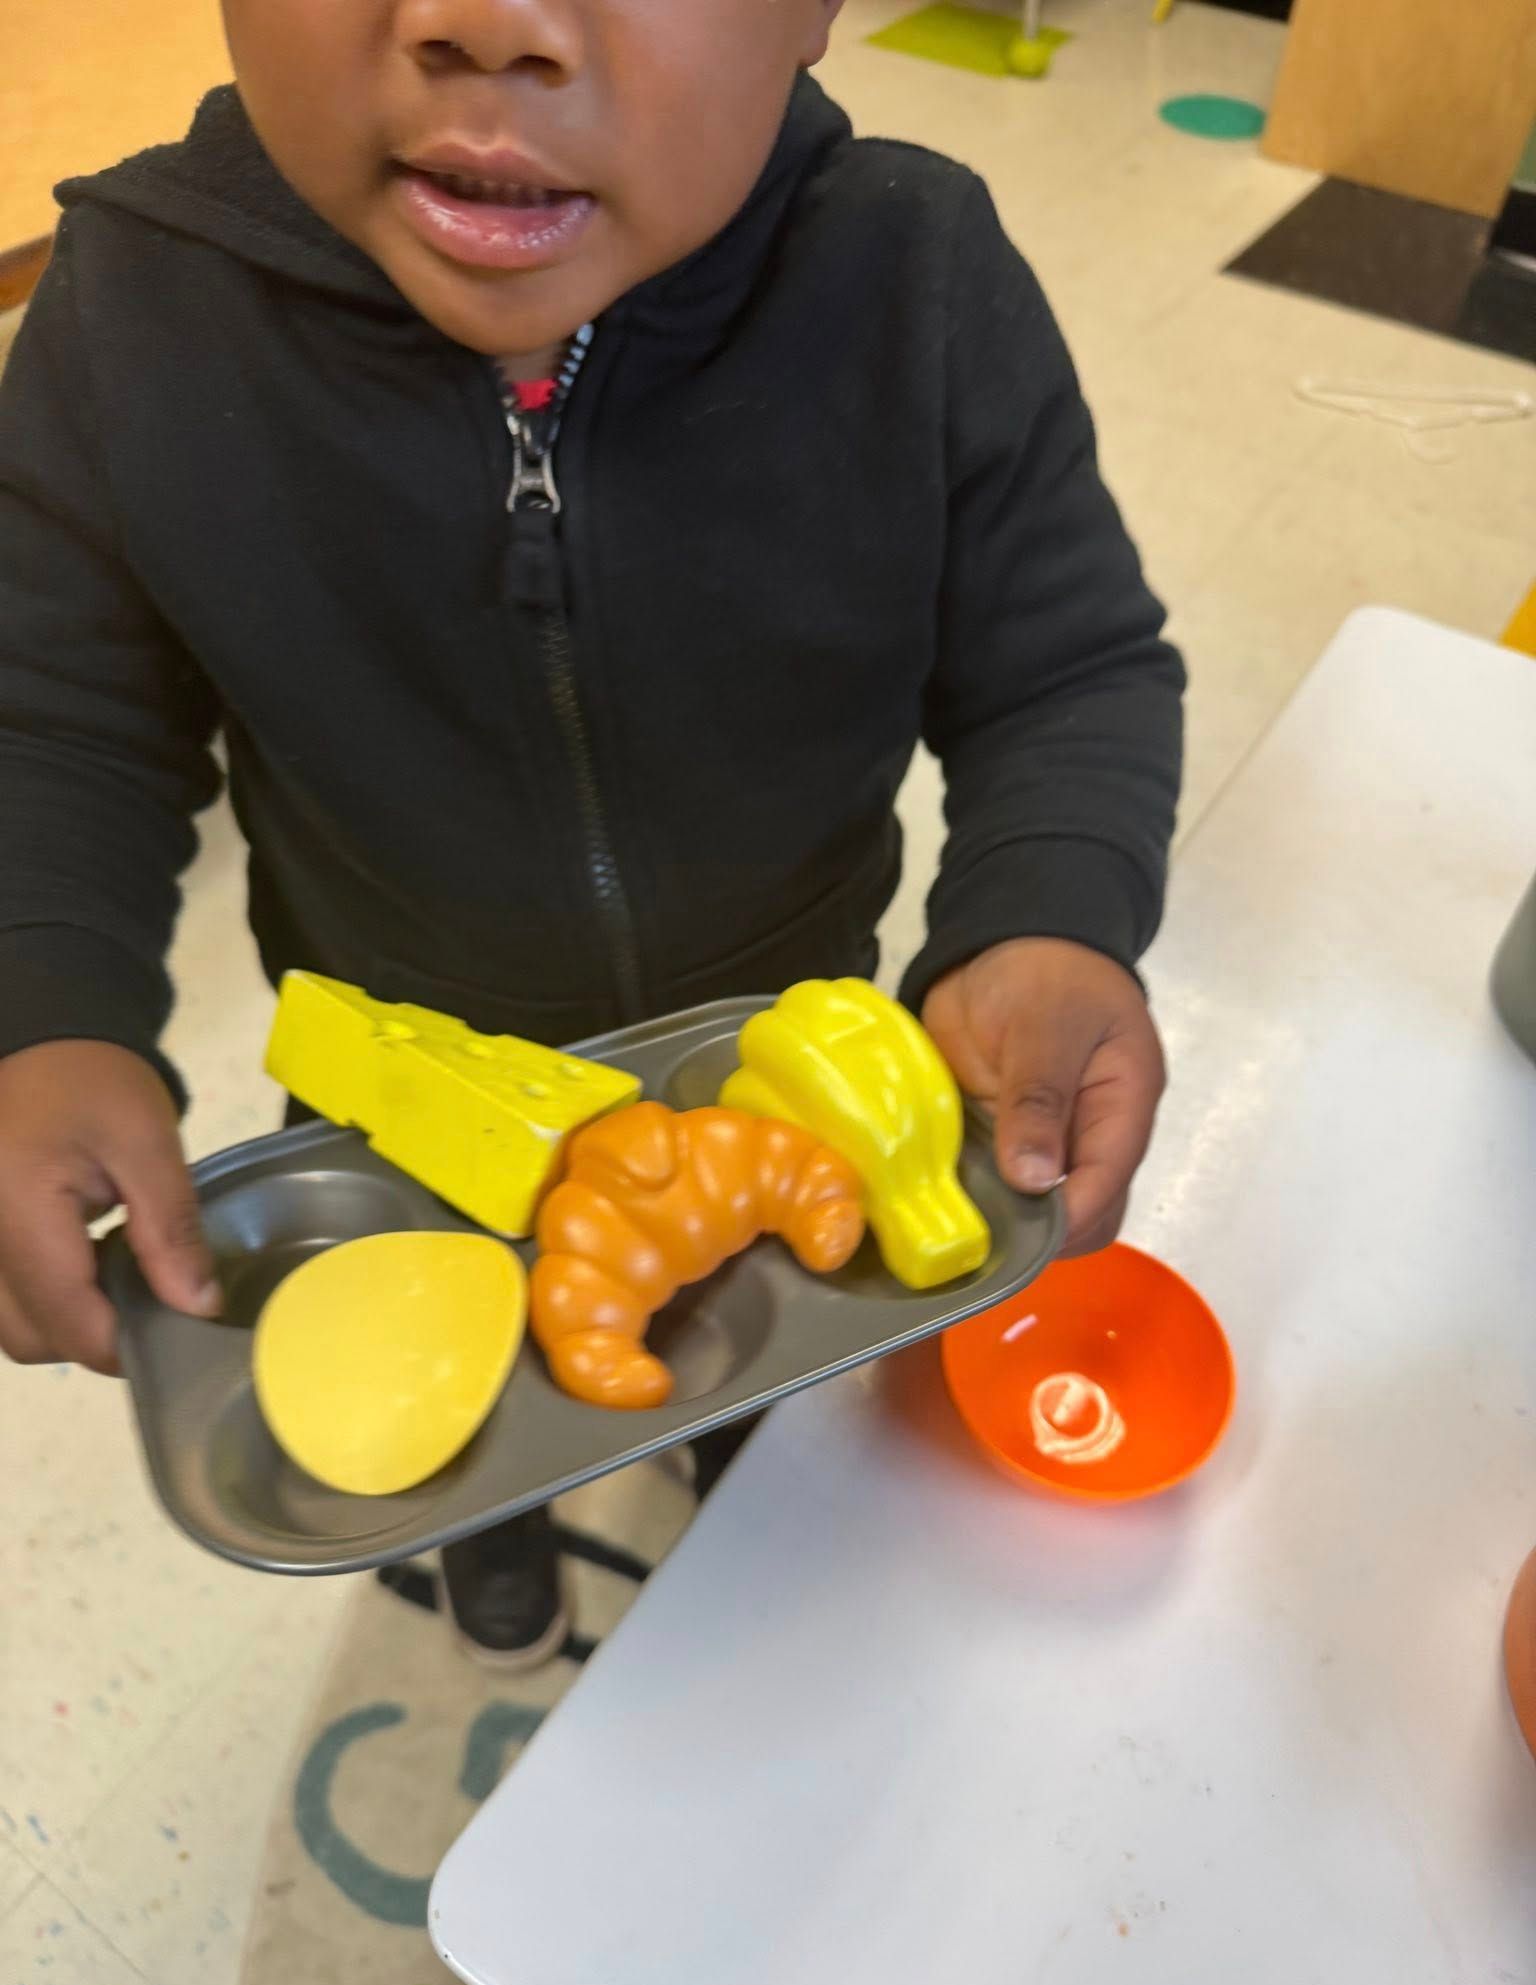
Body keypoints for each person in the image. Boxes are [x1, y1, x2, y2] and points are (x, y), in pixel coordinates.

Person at [0, 0, 1183, 1665]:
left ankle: (729, 1452)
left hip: (775, 1066)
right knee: (455, 1390)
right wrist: (41, 1000)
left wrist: (1047, 915)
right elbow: (58, 722)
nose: (486, 22)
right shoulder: (130, 314)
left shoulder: (915, 281)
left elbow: (1066, 667)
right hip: (401, 1085)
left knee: (739, 1355)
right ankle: (490, 1527)